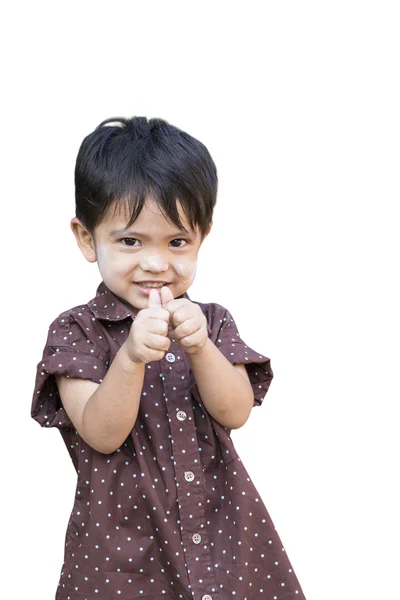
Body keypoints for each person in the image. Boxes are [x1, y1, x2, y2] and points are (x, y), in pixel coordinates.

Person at [31, 116, 306, 600]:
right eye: (130, 241)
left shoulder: (212, 321)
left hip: (224, 536)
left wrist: (200, 347)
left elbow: (236, 411)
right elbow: (100, 431)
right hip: (121, 553)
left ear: (203, 237)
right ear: (85, 238)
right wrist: (132, 356)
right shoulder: (77, 331)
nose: (156, 263)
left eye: (177, 241)